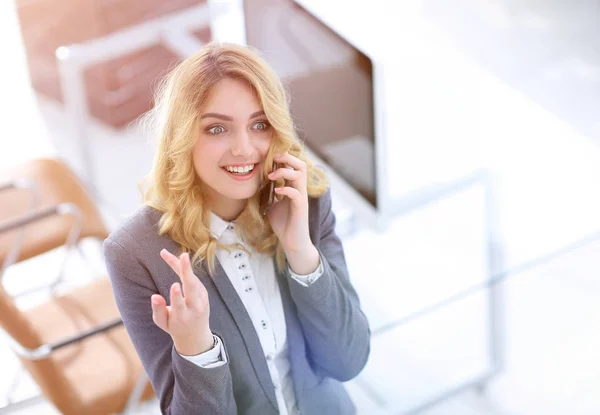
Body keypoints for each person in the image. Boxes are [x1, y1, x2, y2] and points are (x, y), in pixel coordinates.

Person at [103, 42, 371, 415]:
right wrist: (195, 347)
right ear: (183, 137)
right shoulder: (135, 253)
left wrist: (301, 252)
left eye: (259, 124)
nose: (244, 148)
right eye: (217, 129)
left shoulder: (303, 200)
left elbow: (349, 359)